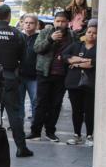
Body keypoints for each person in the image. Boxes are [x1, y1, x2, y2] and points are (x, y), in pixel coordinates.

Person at [0, 5, 34, 157]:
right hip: (9, 77)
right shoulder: (17, 34)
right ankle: (21, 147)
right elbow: (24, 59)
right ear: (9, 16)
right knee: (14, 114)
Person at [27, 11, 77, 142]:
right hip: (44, 73)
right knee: (41, 103)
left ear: (68, 23)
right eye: (58, 21)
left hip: (62, 75)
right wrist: (50, 39)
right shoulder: (45, 32)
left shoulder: (72, 35)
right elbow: (37, 48)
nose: (60, 24)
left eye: (63, 21)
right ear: (54, 22)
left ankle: (50, 131)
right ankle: (35, 131)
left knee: (56, 104)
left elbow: (75, 51)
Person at [63, 19, 96, 146]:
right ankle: (77, 135)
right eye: (89, 32)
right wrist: (83, 60)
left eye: (94, 33)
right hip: (74, 83)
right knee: (76, 111)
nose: (91, 34)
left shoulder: (100, 48)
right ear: (85, 33)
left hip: (91, 84)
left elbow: (93, 64)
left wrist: (76, 63)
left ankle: (89, 136)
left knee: (89, 111)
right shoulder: (76, 45)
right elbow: (65, 57)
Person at [19, 14, 39, 122]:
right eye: (26, 22)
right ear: (22, 23)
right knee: (19, 101)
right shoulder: (18, 36)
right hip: (19, 75)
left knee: (35, 101)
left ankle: (35, 124)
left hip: (34, 76)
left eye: (31, 23)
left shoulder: (40, 37)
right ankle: (18, 124)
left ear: (36, 24)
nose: (28, 25)